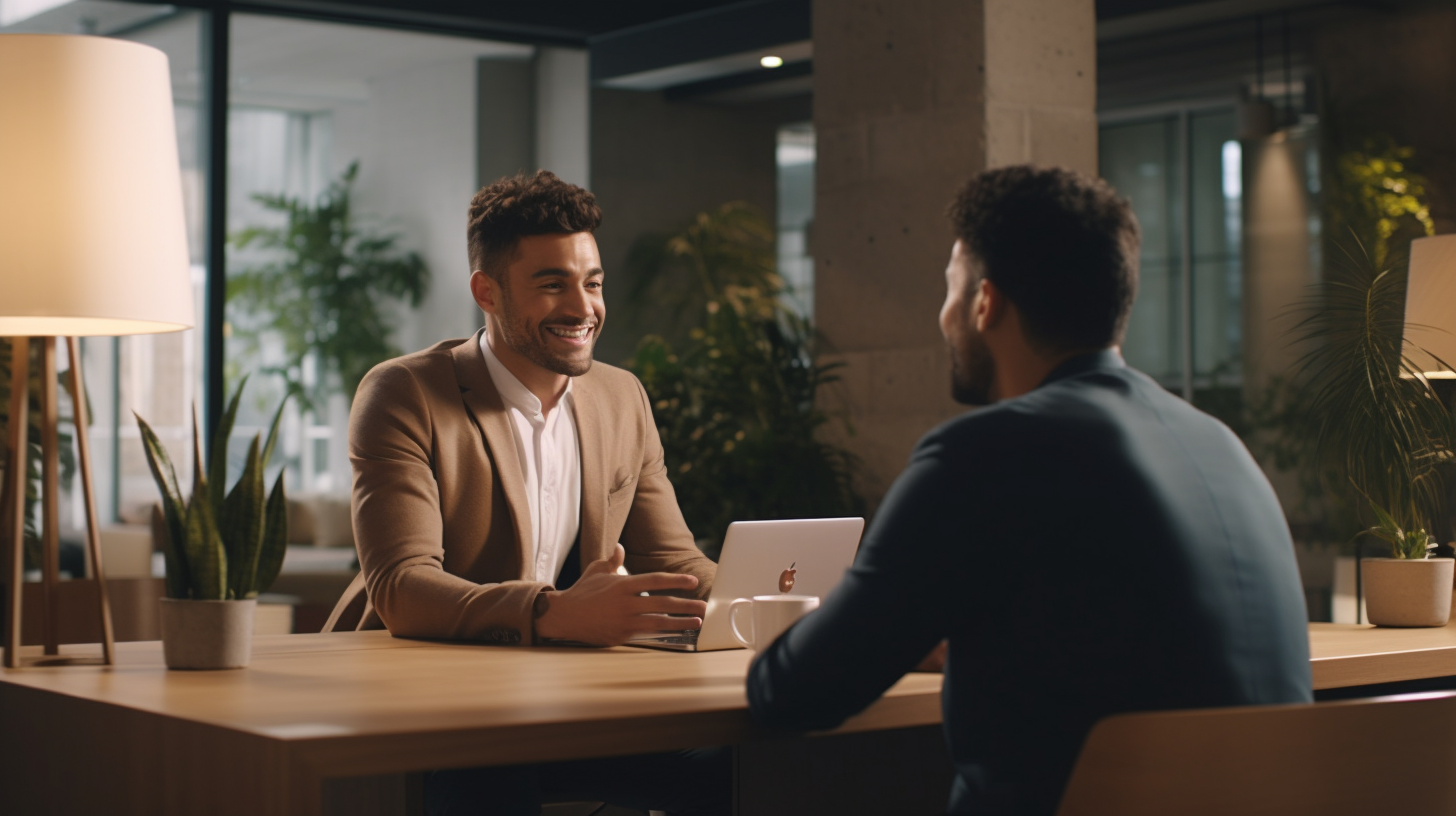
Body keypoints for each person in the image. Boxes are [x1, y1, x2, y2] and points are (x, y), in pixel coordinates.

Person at [744, 165, 1313, 816]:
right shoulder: (1222, 446)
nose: (944, 314)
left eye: (950, 289)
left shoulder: (981, 453)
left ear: (986, 302)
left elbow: (791, 693)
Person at [327, 170, 728, 815]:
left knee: (736, 761)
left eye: (592, 283)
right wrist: (556, 613)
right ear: (486, 291)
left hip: (561, 700)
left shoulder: (621, 397)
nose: (583, 307)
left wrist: (774, 607)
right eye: (552, 284)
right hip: (426, 703)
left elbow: (676, 563)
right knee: (490, 774)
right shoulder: (405, 393)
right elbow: (402, 586)